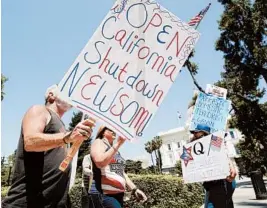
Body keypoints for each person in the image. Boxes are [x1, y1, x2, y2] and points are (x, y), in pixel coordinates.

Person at [2, 85, 95, 208]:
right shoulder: (39, 110)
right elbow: (30, 142)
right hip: (26, 202)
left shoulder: (62, 126)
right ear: (51, 95)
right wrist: (67, 137)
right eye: (67, 92)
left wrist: (76, 140)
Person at [89, 126, 147, 208]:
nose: (114, 131)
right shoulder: (99, 142)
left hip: (117, 194)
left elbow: (122, 173)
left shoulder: (115, 151)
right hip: (104, 194)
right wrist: (119, 143)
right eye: (111, 129)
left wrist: (135, 189)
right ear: (103, 132)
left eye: (115, 130)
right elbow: (99, 162)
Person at [190, 124, 237, 208]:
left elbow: (224, 153)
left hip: (223, 182)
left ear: (206, 134)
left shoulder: (214, 140)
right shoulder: (195, 147)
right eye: (194, 134)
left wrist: (231, 167)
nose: (195, 136)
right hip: (211, 185)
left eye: (199, 135)